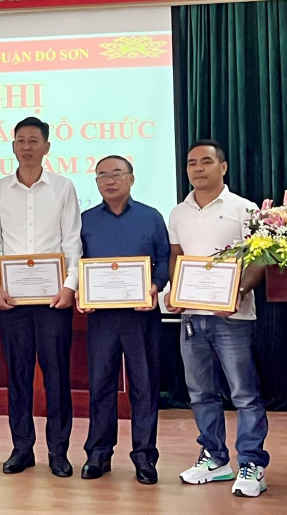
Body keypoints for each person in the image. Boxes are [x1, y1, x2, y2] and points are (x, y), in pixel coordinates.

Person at [166, 139, 268, 498]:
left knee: (244, 394)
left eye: (206, 161)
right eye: (192, 162)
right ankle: (215, 458)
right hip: (192, 317)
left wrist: (238, 292)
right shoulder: (178, 212)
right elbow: (177, 256)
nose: (198, 168)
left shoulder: (244, 209)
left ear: (222, 167)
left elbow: (260, 258)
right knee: (200, 393)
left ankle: (252, 464)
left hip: (233, 317)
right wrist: (173, 291)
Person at [0, 116, 82, 478]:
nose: (27, 147)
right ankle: (21, 449)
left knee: (57, 378)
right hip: (12, 302)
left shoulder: (63, 187)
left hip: (54, 300)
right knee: (18, 377)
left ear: (46, 146)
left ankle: (58, 452)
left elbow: (71, 240)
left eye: (33, 140)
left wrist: (70, 284)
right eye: (21, 141)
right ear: (13, 147)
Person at [78, 155, 170, 484]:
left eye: (116, 174)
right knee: (101, 385)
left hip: (140, 316)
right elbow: (76, 262)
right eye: (102, 175)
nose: (109, 181)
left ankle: (144, 457)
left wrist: (156, 285)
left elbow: (164, 259)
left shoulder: (151, 217)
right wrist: (82, 291)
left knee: (144, 386)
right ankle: (98, 455)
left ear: (131, 179)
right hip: (101, 317)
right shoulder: (85, 220)